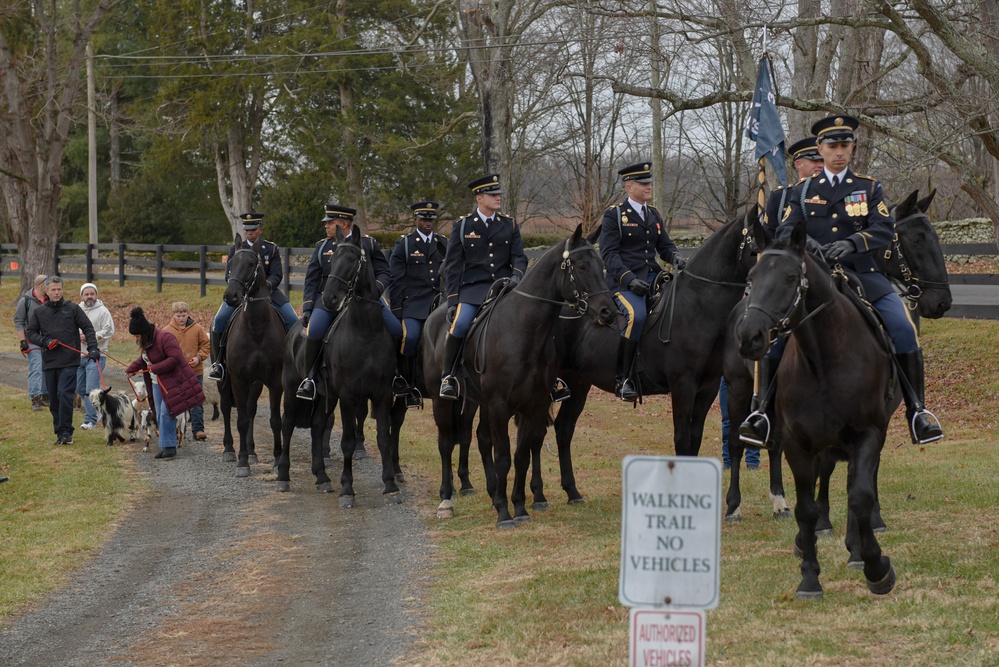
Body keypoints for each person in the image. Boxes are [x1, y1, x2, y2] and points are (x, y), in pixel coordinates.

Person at [755, 114, 943, 446]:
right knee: (776, 335)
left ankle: (917, 411)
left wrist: (852, 243)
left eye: (845, 145)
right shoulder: (802, 190)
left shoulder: (869, 188)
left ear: (852, 148)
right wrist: (806, 242)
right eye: (832, 146)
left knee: (903, 328)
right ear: (820, 149)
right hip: (812, 280)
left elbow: (884, 229)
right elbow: (783, 228)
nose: (839, 152)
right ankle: (763, 413)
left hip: (864, 276)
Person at [738, 137, 826, 447]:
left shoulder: (841, 192)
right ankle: (762, 409)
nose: (819, 163)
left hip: (834, 279)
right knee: (774, 342)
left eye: (821, 158)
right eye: (812, 159)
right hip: (791, 284)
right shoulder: (781, 198)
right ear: (798, 164)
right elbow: (772, 242)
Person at [599, 162, 686, 401]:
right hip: (624, 283)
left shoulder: (653, 214)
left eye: (649, 182)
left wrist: (676, 256)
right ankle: (623, 379)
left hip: (653, 278)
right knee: (635, 317)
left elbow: (664, 246)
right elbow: (609, 254)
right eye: (643, 183)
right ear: (629, 186)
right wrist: (628, 279)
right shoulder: (614, 215)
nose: (649, 186)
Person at [439, 174, 528, 400]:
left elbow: (519, 258)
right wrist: (453, 301)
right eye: (492, 194)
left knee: (533, 321)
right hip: (473, 290)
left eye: (498, 194)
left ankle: (548, 376)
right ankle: (448, 377)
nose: (498, 198)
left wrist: (516, 278)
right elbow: (452, 267)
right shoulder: (463, 226)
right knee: (459, 326)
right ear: (479, 198)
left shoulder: (509, 224)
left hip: (505, 289)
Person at [295, 203, 395, 400]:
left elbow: (384, 272)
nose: (326, 226)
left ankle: (397, 377)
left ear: (344, 224)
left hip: (367, 299)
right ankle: (311, 379)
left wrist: (376, 290)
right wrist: (308, 307)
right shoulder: (323, 246)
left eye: (331, 223)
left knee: (396, 330)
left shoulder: (369, 244)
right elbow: (312, 278)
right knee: (315, 331)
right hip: (330, 298)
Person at [207, 212, 299, 381]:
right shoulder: (236, 249)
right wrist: (237, 286)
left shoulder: (271, 249)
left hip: (268, 293)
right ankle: (218, 363)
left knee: (294, 321)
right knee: (219, 320)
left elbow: (277, 275)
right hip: (239, 292)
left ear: (260, 229)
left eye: (253, 229)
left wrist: (266, 287)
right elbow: (229, 274)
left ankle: (293, 363)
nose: (250, 232)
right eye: (247, 229)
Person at [25, 276, 99, 445]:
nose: (57, 293)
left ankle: (66, 432)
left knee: (64, 394)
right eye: (53, 290)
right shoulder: (39, 312)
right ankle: (60, 431)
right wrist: (45, 341)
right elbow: (31, 333)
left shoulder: (72, 308)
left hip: (69, 361)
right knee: (54, 399)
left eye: (59, 289)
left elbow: (87, 327)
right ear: (47, 290)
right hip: (50, 361)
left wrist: (93, 347)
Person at [125, 308, 205, 459]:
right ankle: (166, 444)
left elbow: (175, 358)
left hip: (173, 381)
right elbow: (144, 358)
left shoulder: (165, 337)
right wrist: (132, 369)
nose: (136, 340)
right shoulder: (147, 342)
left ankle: (170, 447)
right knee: (159, 414)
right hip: (157, 383)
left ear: (143, 333)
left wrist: (155, 368)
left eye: (137, 336)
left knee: (166, 412)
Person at [389, 201, 447, 407]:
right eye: (424, 219)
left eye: (431, 219)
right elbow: (396, 281)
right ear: (415, 220)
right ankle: (407, 384)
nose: (428, 222)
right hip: (414, 304)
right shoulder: (404, 244)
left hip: (440, 304)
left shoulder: (443, 243)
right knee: (411, 337)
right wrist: (397, 311)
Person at [164, 301, 211, 440]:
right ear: (173, 315)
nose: (181, 318)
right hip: (175, 373)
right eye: (178, 315)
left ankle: (198, 430)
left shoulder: (197, 328)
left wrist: (199, 357)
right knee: (176, 402)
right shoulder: (167, 331)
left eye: (184, 315)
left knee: (196, 401)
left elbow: (206, 345)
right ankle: (176, 431)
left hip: (195, 371)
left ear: (188, 314)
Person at [76, 283, 115, 431]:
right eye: (86, 294)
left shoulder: (103, 311)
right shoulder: (77, 310)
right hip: (78, 355)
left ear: (96, 295)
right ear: (82, 296)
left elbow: (109, 330)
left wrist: (93, 337)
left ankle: (90, 420)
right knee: (80, 388)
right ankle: (100, 408)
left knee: (91, 389)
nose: (89, 296)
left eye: (92, 293)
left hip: (96, 356)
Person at [13, 274, 49, 411]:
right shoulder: (25, 301)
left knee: (47, 368)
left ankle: (46, 395)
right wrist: (23, 341)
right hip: (32, 341)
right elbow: (19, 321)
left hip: (46, 341)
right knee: (36, 368)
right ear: (41, 286)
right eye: (48, 284)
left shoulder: (50, 299)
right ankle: (35, 398)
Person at [719, 378, 759, 470]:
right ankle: (728, 461)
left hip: (751, 377)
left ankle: (752, 462)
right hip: (728, 377)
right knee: (727, 420)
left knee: (752, 418)